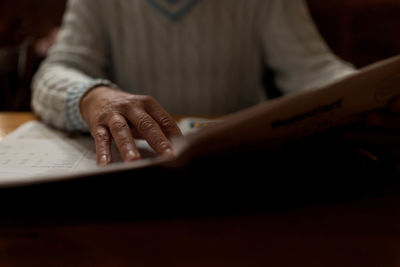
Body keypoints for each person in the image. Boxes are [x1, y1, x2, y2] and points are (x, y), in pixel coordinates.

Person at [31, 0, 400, 166]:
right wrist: (93, 97)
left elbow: (314, 71)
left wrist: (374, 92)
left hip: (241, 172)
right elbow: (55, 72)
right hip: (137, 171)